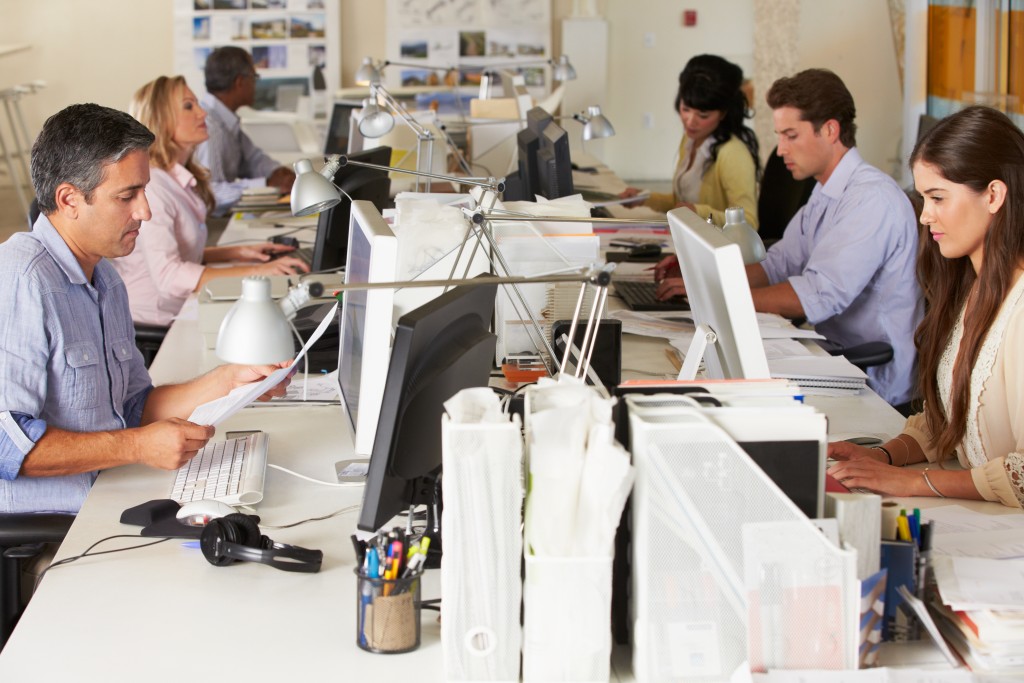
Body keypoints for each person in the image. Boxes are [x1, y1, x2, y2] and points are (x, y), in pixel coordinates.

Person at [0, 103, 289, 515]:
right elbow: (5, 444)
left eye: (144, 191)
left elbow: (135, 407)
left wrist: (231, 380)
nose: (145, 211)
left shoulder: (107, 278)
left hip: (114, 486)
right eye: (127, 196)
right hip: (65, 524)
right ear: (69, 199)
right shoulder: (21, 279)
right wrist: (137, 445)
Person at [656, 69, 922, 408]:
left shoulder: (871, 200)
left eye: (791, 135)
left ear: (829, 130)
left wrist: (721, 297)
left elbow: (818, 296)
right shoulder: (828, 191)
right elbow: (777, 263)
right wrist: (703, 277)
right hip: (830, 355)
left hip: (871, 379)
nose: (781, 150)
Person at [829, 106, 1024, 508]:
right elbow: (954, 420)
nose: (924, 216)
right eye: (923, 198)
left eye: (937, 198)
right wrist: (883, 455)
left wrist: (913, 482)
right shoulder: (972, 286)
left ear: (993, 195)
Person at [112, 75, 308, 327]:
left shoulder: (177, 177)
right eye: (188, 106)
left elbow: (180, 250)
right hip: (158, 322)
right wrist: (257, 272)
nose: (202, 113)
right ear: (161, 120)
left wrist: (240, 253)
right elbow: (170, 276)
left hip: (182, 307)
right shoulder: (154, 188)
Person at [620, 54, 760, 228]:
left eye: (703, 115)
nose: (690, 121)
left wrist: (699, 212)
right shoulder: (691, 139)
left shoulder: (732, 154)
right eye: (685, 109)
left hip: (718, 249)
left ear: (723, 113)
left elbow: (749, 223)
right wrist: (645, 198)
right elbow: (682, 203)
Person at [196, 46, 296, 216]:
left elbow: (252, 159)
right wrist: (267, 184)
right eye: (254, 77)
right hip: (210, 223)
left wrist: (277, 172)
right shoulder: (210, 127)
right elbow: (210, 192)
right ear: (239, 82)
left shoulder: (226, 120)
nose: (256, 85)